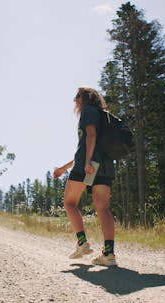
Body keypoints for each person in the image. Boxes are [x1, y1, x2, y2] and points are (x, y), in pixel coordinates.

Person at [53, 87, 117, 266]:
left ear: (85, 98)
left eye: (77, 96)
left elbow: (90, 136)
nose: (74, 100)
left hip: (87, 165)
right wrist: (64, 168)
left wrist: (88, 161)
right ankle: (109, 254)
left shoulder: (88, 111)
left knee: (69, 202)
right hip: (104, 165)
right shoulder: (103, 116)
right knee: (103, 208)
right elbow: (87, 145)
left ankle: (82, 242)